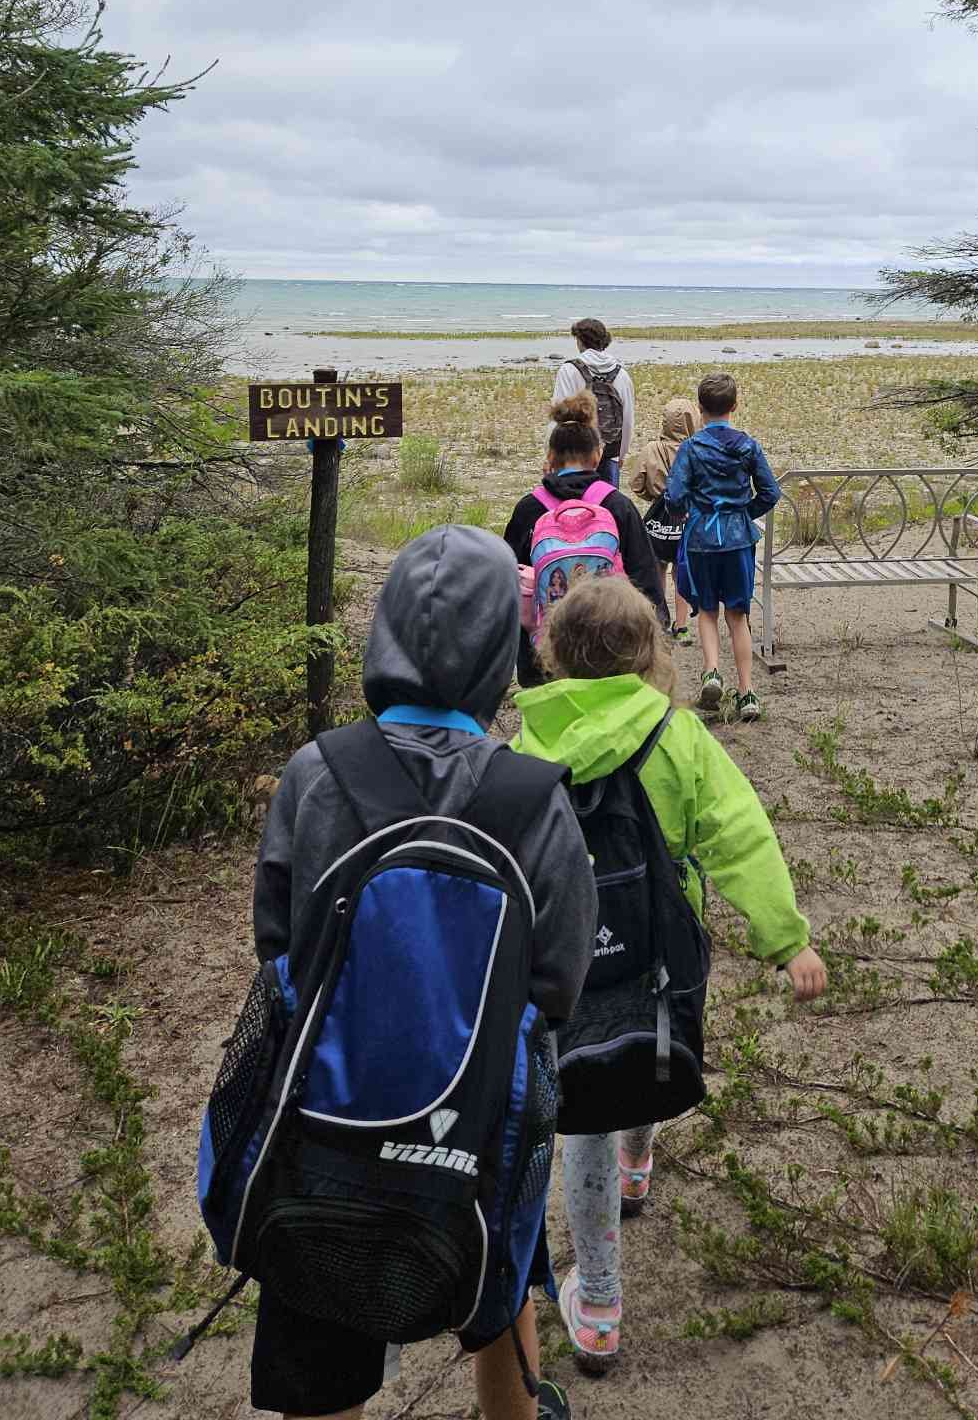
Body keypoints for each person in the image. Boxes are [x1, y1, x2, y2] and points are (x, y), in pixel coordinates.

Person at [250, 525, 596, 1420]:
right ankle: (514, 1398)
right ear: (502, 649)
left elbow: (277, 947)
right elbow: (558, 982)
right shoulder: (534, 796)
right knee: (499, 1274)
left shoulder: (313, 775)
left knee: (317, 1338)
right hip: (476, 1129)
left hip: (323, 1121)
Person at [512, 575, 827, 1375]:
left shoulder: (526, 745)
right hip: (660, 954)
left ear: (553, 655)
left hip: (562, 970)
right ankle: (641, 1161)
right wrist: (785, 938)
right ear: (651, 652)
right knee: (647, 1052)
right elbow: (739, 837)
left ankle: (603, 1306)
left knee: (579, 1117)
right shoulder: (679, 735)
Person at [504, 394, 668, 690]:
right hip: (612, 652)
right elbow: (645, 579)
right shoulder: (618, 507)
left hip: (544, 657)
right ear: (597, 455)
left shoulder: (529, 509)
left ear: (550, 459)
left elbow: (508, 583)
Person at [665, 372, 780, 724]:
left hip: (701, 538)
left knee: (708, 613)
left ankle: (712, 672)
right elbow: (770, 492)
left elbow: (674, 496)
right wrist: (744, 512)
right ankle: (747, 692)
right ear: (734, 406)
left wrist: (688, 513)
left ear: (700, 410)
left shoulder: (691, 448)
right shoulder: (748, 445)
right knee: (738, 616)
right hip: (737, 540)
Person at [628, 395, 699, 645]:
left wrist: (653, 497)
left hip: (659, 518)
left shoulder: (651, 449)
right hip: (688, 517)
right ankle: (682, 626)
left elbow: (636, 483)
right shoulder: (696, 449)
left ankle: (659, 621)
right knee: (681, 570)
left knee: (657, 568)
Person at [552, 318, 633, 486]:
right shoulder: (622, 374)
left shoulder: (569, 370)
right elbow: (628, 419)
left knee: (573, 507)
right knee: (607, 506)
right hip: (610, 453)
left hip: (574, 454)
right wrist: (622, 454)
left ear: (579, 340)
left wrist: (552, 453)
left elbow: (559, 417)